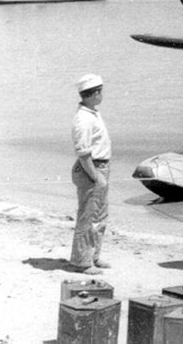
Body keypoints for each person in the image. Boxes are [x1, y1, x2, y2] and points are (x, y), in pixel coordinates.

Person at [70, 74, 112, 275]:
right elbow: (83, 152)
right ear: (94, 93)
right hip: (91, 168)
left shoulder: (91, 113)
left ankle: (93, 255)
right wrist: (96, 176)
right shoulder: (84, 119)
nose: (102, 94)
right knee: (88, 215)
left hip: (100, 166)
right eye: (100, 91)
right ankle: (82, 261)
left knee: (100, 214)